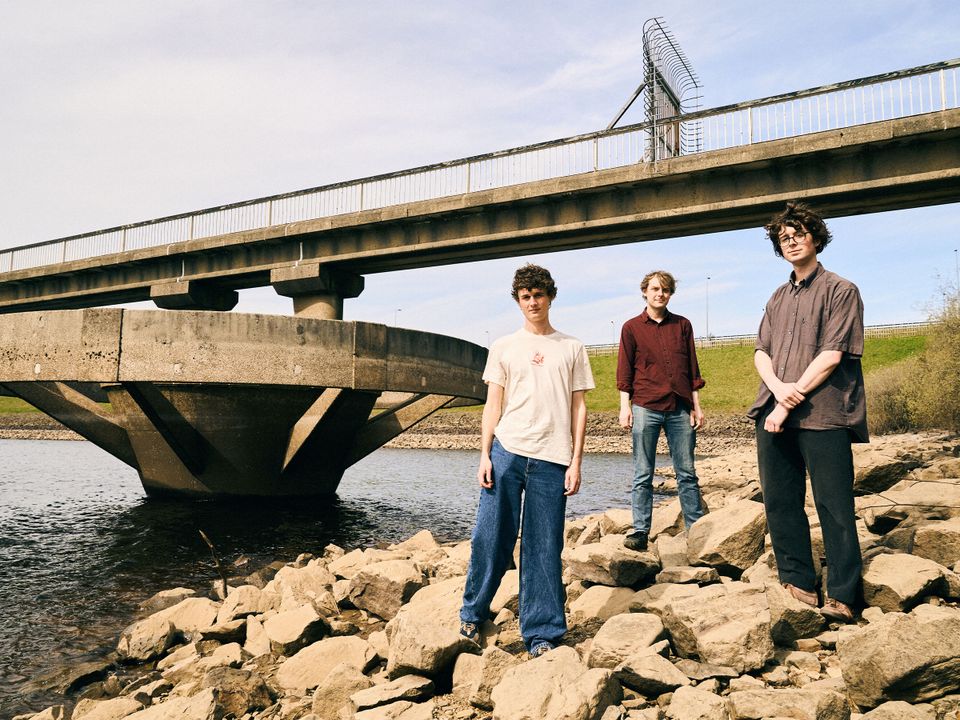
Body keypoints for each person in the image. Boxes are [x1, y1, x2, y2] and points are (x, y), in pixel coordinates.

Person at [459, 263, 595, 658]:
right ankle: (472, 613)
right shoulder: (504, 346)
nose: (532, 302)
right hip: (508, 451)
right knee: (490, 536)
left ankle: (542, 633)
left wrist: (576, 461)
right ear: (518, 301)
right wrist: (484, 455)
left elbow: (579, 408)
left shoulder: (572, 347)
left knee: (544, 546)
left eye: (538, 295)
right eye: (525, 296)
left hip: (553, 459)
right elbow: (493, 404)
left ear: (550, 297)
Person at [747, 201, 867, 624]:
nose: (792, 241)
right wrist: (778, 391)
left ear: (815, 237)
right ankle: (798, 581)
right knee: (780, 501)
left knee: (834, 505)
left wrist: (787, 400)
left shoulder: (841, 290)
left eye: (799, 233)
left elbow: (832, 355)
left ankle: (843, 595)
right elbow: (761, 351)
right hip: (773, 410)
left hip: (824, 414)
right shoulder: (777, 297)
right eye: (784, 237)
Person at [616, 270, 707, 551]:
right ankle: (640, 530)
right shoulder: (631, 328)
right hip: (645, 406)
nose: (660, 294)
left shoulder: (683, 325)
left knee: (687, 472)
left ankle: (696, 529)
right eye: (655, 289)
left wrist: (696, 406)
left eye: (665, 290)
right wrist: (624, 407)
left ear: (670, 294)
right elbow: (624, 370)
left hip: (680, 407)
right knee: (643, 473)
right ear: (645, 291)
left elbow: (692, 368)